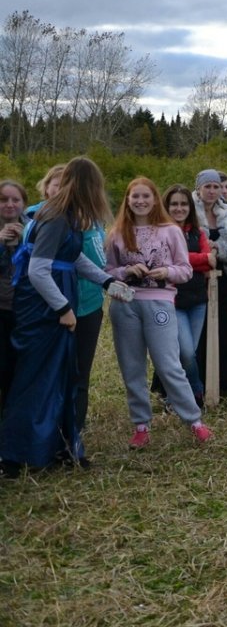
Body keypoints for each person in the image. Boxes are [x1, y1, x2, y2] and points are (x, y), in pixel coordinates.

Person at [1, 158, 132, 475]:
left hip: (54, 301)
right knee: (36, 379)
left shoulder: (68, 216)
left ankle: (56, 448)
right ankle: (15, 456)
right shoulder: (57, 216)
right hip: (42, 309)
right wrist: (64, 309)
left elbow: (73, 256)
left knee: (59, 377)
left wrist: (107, 280)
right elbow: (38, 270)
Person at [105, 178, 214, 448]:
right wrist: (126, 272)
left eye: (146, 196)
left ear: (154, 200)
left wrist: (167, 272)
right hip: (125, 303)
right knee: (132, 366)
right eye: (135, 197)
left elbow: (185, 269)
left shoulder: (169, 231)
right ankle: (141, 424)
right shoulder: (117, 232)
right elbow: (106, 272)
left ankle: (194, 420)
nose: (140, 201)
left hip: (160, 302)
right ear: (127, 200)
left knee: (169, 364)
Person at [193, 169, 227, 395]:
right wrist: (205, 255)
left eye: (216, 186)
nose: (213, 191)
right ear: (199, 188)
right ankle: (196, 384)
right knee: (198, 332)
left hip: (224, 280)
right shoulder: (188, 211)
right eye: (208, 186)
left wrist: (219, 250)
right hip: (195, 280)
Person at [161, 183, 215, 407]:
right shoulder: (160, 231)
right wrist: (197, 259)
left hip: (198, 301)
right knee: (185, 353)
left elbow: (210, 261)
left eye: (183, 204)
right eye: (174, 204)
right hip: (172, 301)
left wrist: (183, 259)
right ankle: (195, 392)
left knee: (190, 352)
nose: (179, 208)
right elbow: (165, 261)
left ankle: (179, 397)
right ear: (167, 206)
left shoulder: (198, 232)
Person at [0, 180, 28, 413]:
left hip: (24, 308)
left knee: (18, 365)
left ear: (24, 204)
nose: (9, 205)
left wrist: (24, 244)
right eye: (3, 200)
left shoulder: (33, 228)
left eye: (15, 200)